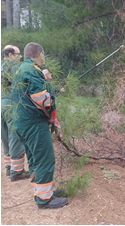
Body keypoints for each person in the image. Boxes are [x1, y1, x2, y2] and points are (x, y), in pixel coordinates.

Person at [12, 42, 67, 209]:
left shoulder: (22, 68)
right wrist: (51, 100)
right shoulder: (32, 70)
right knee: (44, 158)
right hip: (34, 123)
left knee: (35, 158)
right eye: (43, 55)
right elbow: (41, 99)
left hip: (22, 122)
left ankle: (42, 192)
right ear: (40, 54)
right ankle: (44, 199)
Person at [1, 45, 31, 181]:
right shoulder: (13, 66)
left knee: (5, 136)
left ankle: (9, 168)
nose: (20, 57)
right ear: (11, 54)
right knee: (15, 136)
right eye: (18, 54)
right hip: (11, 103)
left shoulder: (1, 66)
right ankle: (17, 172)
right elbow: (22, 84)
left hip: (1, 104)